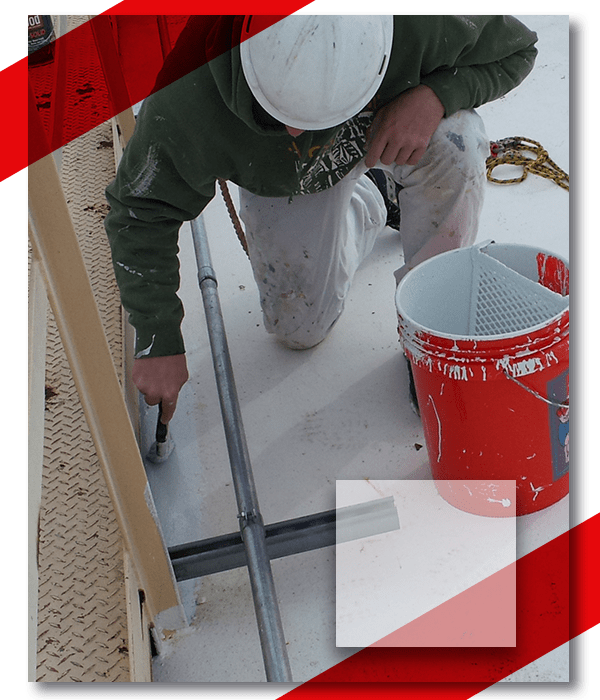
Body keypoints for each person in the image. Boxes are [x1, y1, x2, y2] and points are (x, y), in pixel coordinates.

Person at [104, 14, 538, 424]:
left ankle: (434, 326)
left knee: (459, 142)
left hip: (391, 125)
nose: (296, 133)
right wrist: (157, 334)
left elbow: (517, 51)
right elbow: (140, 210)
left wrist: (438, 95)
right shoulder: (187, 93)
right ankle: (372, 201)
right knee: (299, 330)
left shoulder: (417, 20)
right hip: (286, 180)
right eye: (275, 109)